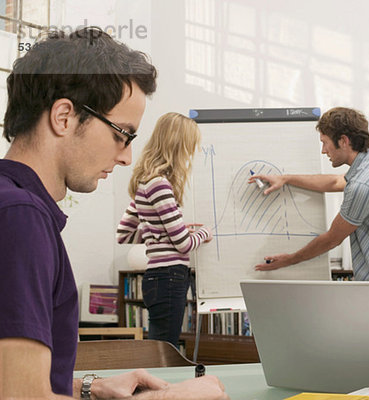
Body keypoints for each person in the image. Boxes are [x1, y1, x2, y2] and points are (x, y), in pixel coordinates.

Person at [0, 27, 228, 399]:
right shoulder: (21, 218)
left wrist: (91, 386)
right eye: (121, 134)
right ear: (64, 117)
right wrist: (169, 397)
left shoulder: (12, 205)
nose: (126, 157)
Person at [249, 107, 369, 319]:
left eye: (325, 143)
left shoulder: (362, 186)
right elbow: (336, 181)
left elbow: (332, 239)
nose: (323, 150)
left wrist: (289, 260)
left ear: (344, 141)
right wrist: (286, 178)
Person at [116, 112, 212, 347]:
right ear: (177, 146)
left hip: (157, 277)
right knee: (164, 349)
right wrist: (204, 233)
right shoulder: (160, 185)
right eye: (189, 147)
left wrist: (159, 233)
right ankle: (154, 386)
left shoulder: (145, 182)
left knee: (159, 346)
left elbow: (124, 233)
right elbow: (184, 245)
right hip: (170, 276)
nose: (190, 153)